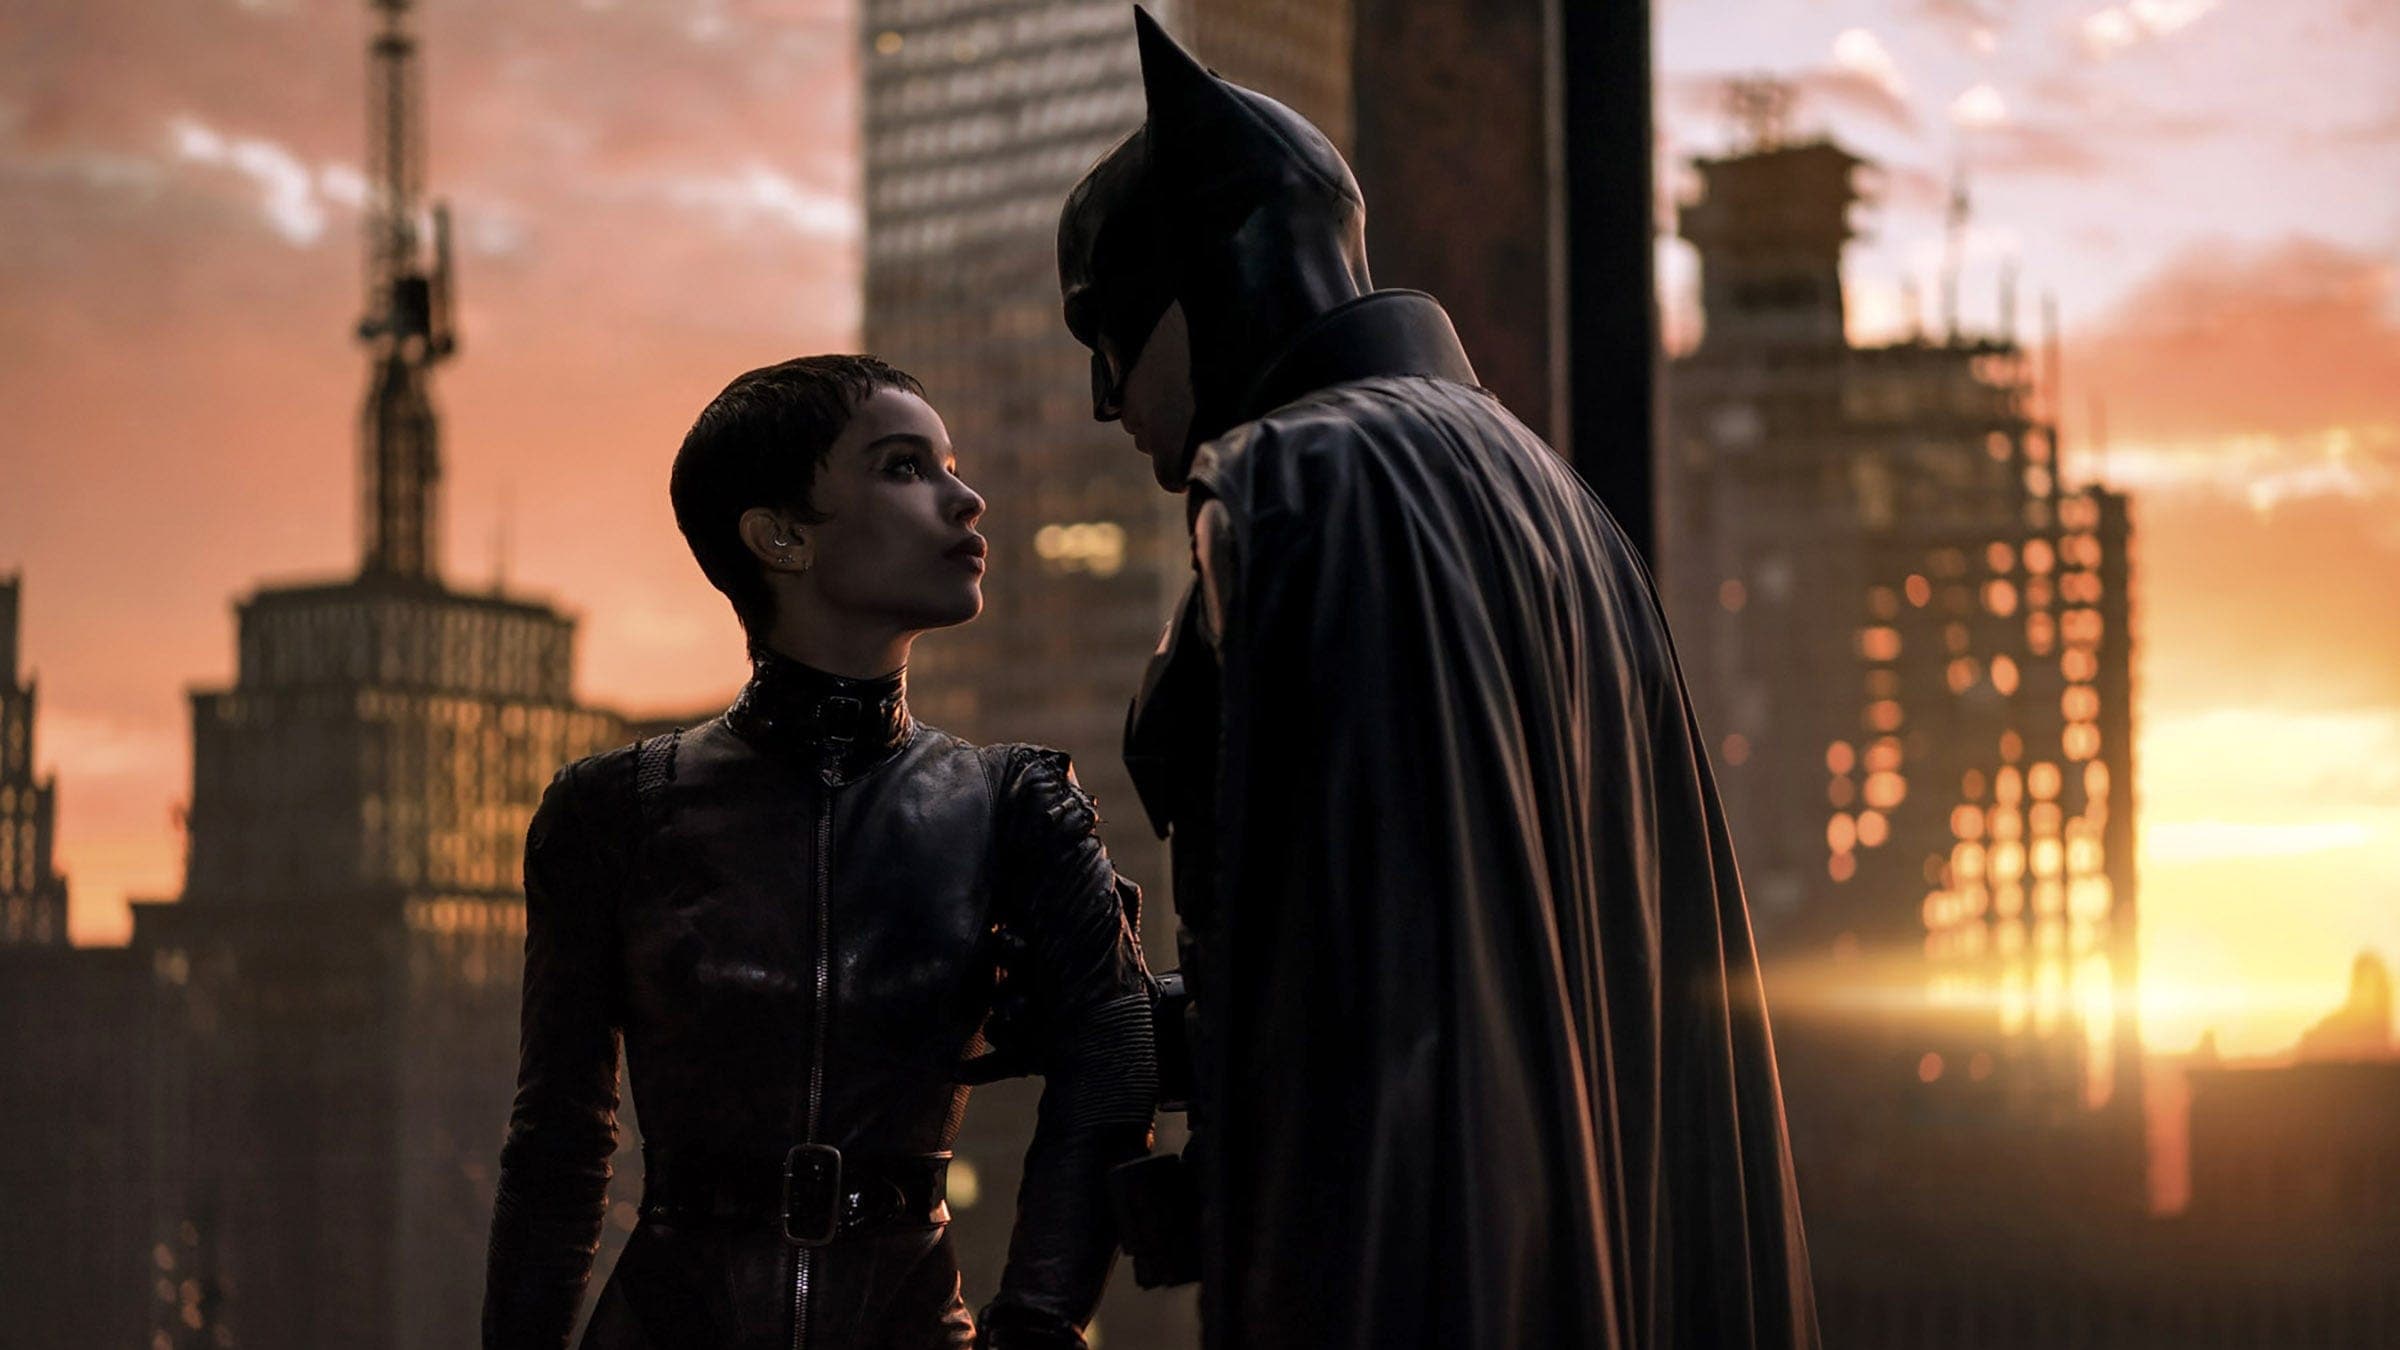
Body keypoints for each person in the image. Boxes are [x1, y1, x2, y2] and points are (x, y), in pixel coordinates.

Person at [1056, 12, 1817, 1349]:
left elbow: (1374, 971)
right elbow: (1446, 928)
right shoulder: (1547, 493)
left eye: (1104, 330)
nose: (1105, 396)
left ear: (1199, 280)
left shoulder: (1302, 479)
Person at [482, 355, 1156, 1350]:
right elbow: (559, 1145)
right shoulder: (613, 813)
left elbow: (1112, 1064)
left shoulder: (1017, 806)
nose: (965, 498)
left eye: (950, 465)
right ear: (781, 537)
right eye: (903, 467)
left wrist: (1034, 1327)